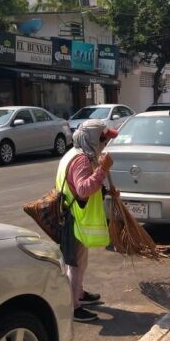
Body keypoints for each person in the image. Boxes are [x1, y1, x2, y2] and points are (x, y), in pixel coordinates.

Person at [56, 119, 119, 322]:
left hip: (72, 215)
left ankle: (79, 293)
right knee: (74, 264)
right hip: (75, 218)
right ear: (93, 138)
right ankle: (73, 307)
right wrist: (102, 170)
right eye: (103, 138)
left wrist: (107, 190)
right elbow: (82, 190)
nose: (105, 143)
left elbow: (77, 186)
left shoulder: (74, 154)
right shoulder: (82, 160)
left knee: (79, 262)